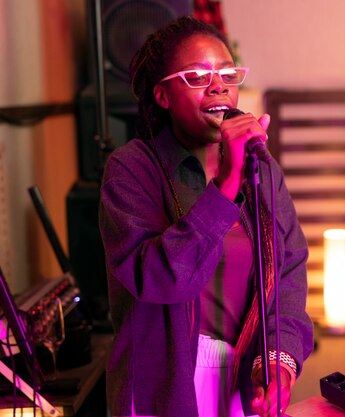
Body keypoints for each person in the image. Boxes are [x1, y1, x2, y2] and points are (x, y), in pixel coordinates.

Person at [98, 16, 313, 417]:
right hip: (164, 381)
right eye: (197, 76)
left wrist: (279, 363)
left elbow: (288, 275)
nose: (218, 85)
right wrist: (227, 184)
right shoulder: (132, 169)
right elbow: (159, 278)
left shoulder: (262, 169)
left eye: (227, 74)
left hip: (245, 371)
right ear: (163, 96)